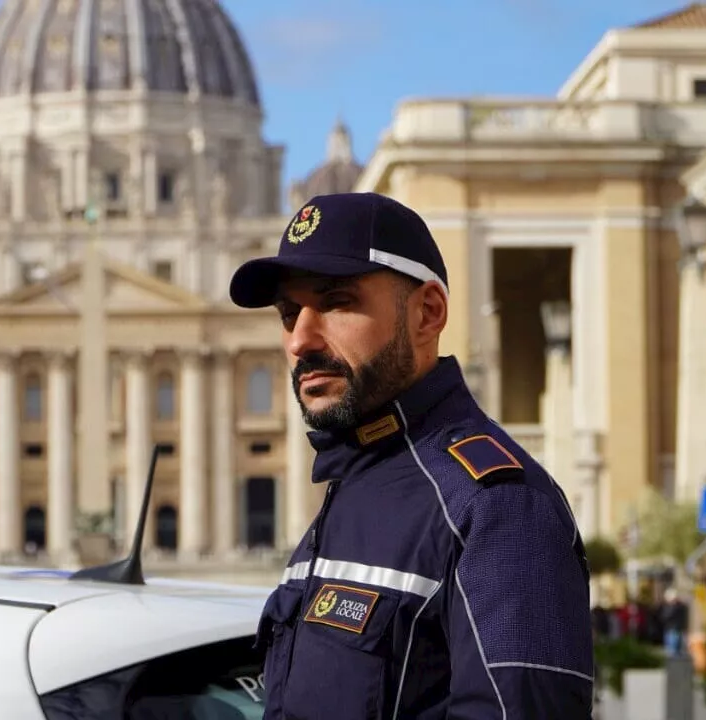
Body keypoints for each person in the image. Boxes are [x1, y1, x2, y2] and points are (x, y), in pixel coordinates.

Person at [230, 192, 595, 719]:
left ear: (428, 313)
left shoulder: (496, 508)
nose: (300, 340)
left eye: (336, 302)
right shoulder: (348, 487)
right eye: (290, 313)